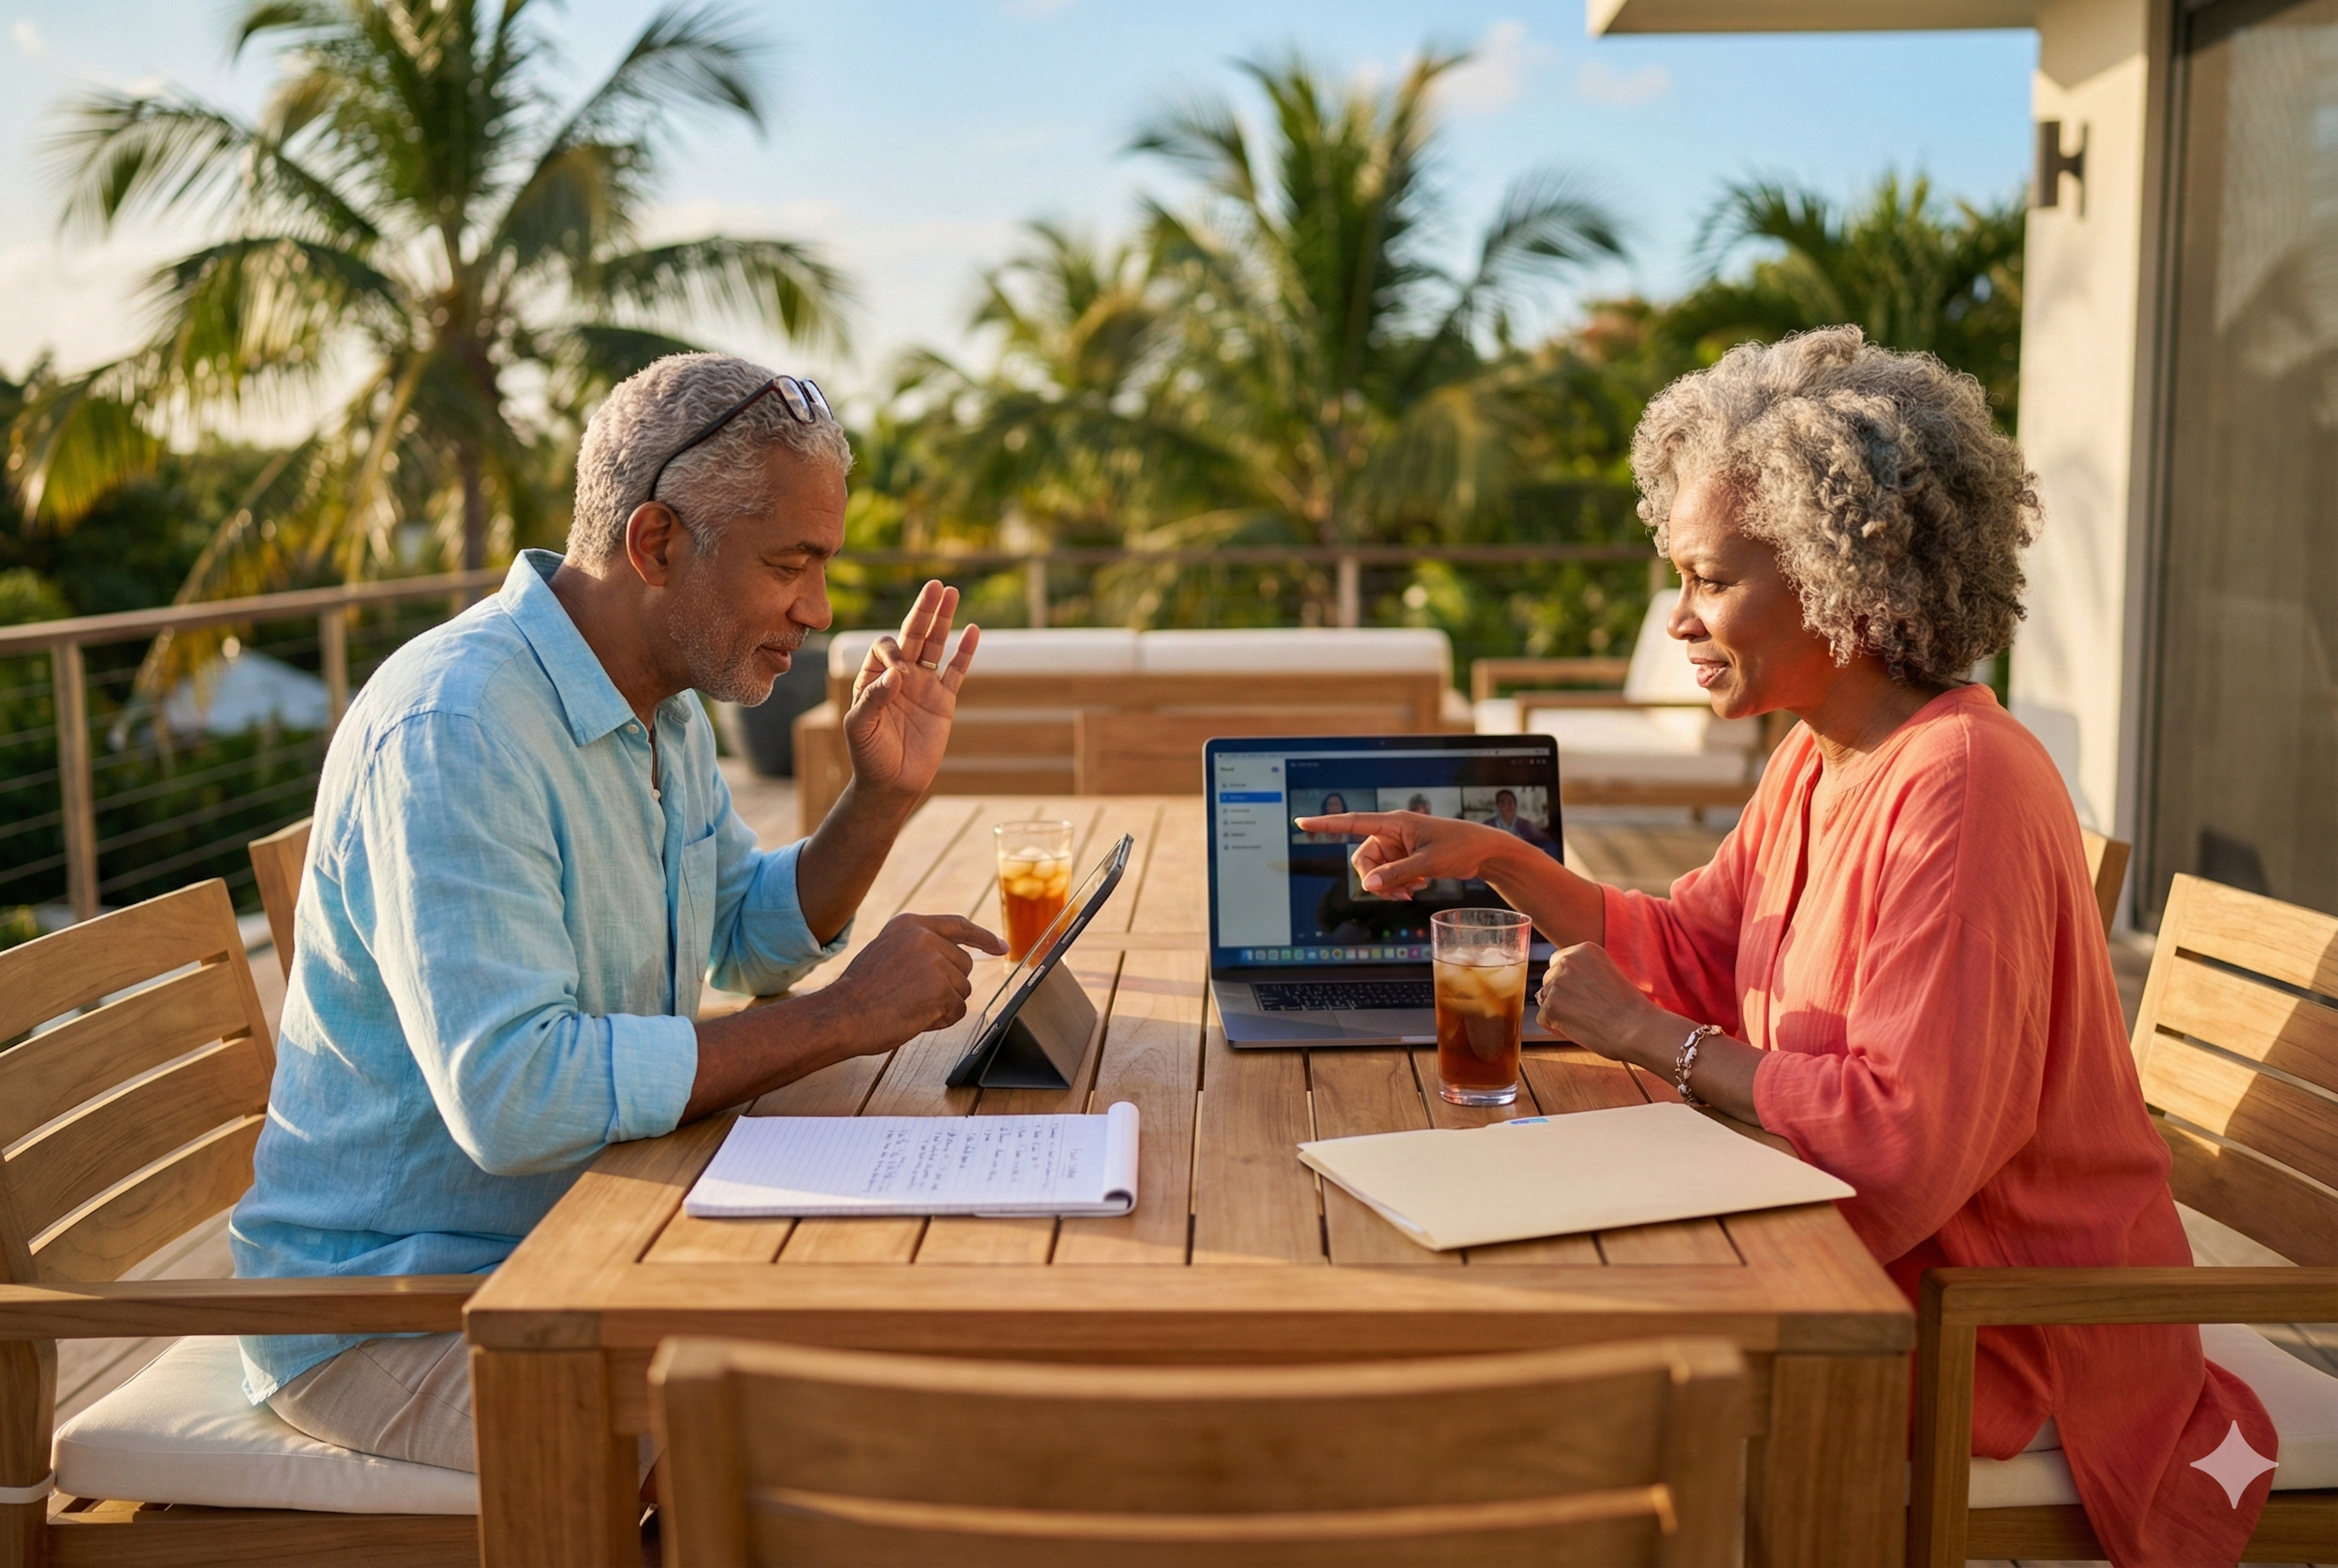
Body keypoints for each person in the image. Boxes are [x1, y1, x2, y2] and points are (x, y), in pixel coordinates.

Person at [1299, 328, 2273, 1567]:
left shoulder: (1961, 784)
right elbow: (1701, 945)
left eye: (1709, 580)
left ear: (1841, 579)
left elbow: (1905, 1148)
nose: (1683, 619)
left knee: (1551, 1381)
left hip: (2002, 1327)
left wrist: (1651, 1040)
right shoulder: (1824, 753)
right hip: (1856, 1255)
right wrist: (1498, 861)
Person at [230, 353, 1005, 1474]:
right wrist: (846, 1018)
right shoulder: (459, 729)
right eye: (791, 564)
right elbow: (514, 1097)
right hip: (403, 1312)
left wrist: (877, 800)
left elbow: (741, 930)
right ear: (655, 545)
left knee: (912, 1347)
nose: (820, 609)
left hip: (595, 1237)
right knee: (810, 1455)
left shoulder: (660, 701)